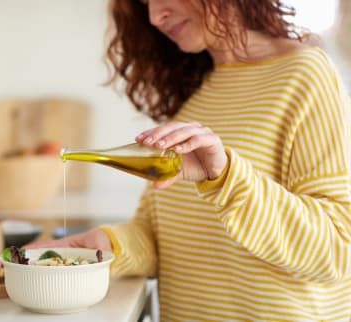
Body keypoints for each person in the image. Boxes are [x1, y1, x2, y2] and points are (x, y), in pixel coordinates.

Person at [25, 0, 351, 321]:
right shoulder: (199, 97)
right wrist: (107, 245)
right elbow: (162, 238)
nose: (154, 16)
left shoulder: (305, 76)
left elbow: (338, 250)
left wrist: (226, 177)